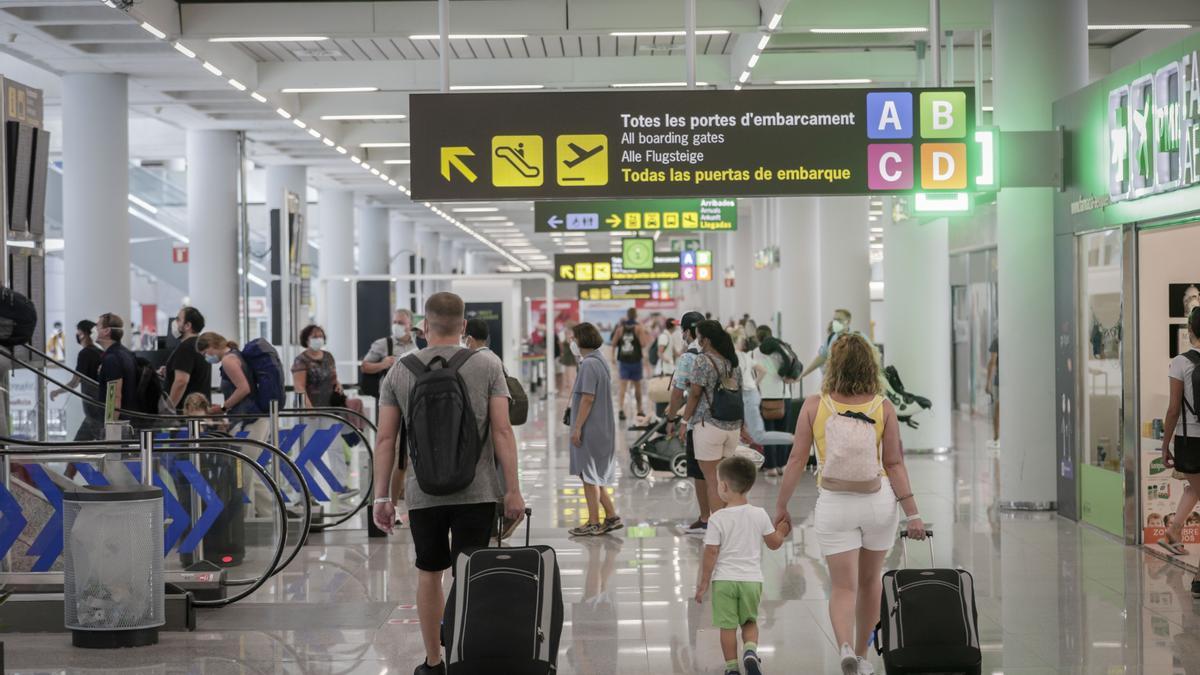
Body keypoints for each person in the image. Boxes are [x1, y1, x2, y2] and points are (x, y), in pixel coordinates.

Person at [371, 292, 524, 675]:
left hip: (424, 493)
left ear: (423, 327)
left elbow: (385, 440)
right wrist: (514, 490)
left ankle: (434, 662)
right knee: (471, 571)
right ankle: (466, 656)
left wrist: (381, 498)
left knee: (429, 572)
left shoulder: (399, 370)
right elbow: (503, 430)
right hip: (479, 490)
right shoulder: (487, 363)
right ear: (463, 328)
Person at [774, 333, 926, 675]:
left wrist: (781, 505)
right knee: (871, 583)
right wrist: (913, 513)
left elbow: (797, 459)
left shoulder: (815, 405)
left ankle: (843, 645)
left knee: (843, 586)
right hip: (877, 503)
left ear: (833, 366)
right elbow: (894, 463)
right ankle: (862, 657)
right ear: (870, 366)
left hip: (835, 504)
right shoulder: (882, 406)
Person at [695, 456, 791, 675]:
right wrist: (783, 530)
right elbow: (774, 543)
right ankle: (750, 651)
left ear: (724, 487)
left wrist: (703, 584)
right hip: (751, 580)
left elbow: (711, 552)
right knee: (749, 621)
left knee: (727, 626)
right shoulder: (759, 514)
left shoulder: (717, 518)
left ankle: (731, 668)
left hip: (724, 582)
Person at [679, 320, 743, 517]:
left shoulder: (703, 360)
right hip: (732, 426)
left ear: (706, 339)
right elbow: (740, 394)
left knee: (712, 480)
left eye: (698, 336)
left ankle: (717, 527)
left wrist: (684, 421)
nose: (697, 340)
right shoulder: (732, 362)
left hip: (709, 425)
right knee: (725, 480)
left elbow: (695, 394)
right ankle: (729, 522)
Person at [567, 322, 622, 537]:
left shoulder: (589, 364)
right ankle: (611, 516)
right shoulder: (599, 360)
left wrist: (578, 427)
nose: (572, 342)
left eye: (574, 338)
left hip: (591, 427)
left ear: (582, 340)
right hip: (602, 426)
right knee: (592, 475)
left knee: (588, 477)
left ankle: (593, 522)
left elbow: (588, 398)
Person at [1157, 309, 1200, 573]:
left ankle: (1172, 534)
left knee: (1194, 487)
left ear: (1190, 330)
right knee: (1194, 489)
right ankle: (1172, 534)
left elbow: (1173, 409)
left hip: (1189, 440)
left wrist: (1165, 444)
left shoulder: (1180, 362)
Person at [666, 311, 710, 534]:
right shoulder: (722, 352)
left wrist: (673, 418)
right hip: (726, 421)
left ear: (688, 331)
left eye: (683, 330)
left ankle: (705, 518)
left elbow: (678, 393)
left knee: (701, 472)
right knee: (720, 470)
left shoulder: (688, 357)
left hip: (699, 423)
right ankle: (723, 517)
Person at [738, 333, 794, 456]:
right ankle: (784, 462)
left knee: (762, 435)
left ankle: (771, 467)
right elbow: (794, 374)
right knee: (774, 432)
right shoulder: (783, 353)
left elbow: (762, 371)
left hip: (761, 397)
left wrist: (754, 384)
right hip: (783, 397)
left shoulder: (749, 355)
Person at [50, 319, 104, 440]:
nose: (77, 335)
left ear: (83, 334)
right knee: (83, 444)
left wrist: (57, 391)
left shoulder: (84, 354)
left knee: (80, 445)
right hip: (100, 406)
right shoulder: (100, 352)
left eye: (78, 332)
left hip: (92, 409)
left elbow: (75, 382)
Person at [752, 326, 792, 476]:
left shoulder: (754, 353)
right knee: (784, 432)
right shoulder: (781, 351)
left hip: (764, 398)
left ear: (757, 338)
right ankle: (784, 465)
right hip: (784, 397)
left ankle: (771, 467)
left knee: (768, 434)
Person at [197, 332, 259, 415]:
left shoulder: (228, 360)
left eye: (205, 354)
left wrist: (222, 408)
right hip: (248, 413)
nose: (206, 358)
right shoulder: (235, 354)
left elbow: (244, 389)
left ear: (212, 345)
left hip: (246, 416)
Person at [164, 307, 212, 412]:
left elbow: (181, 381)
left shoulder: (185, 348)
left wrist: (168, 408)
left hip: (186, 412)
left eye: (178, 319)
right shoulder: (200, 345)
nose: (175, 323)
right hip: (199, 409)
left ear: (187, 326)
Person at [95, 313, 140, 420]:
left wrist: (110, 426)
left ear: (106, 331)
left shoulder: (112, 358)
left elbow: (114, 396)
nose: (94, 330)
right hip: (129, 417)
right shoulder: (126, 353)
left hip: (119, 423)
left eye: (97, 326)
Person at [612, 307, 650, 421]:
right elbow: (643, 344)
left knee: (622, 386)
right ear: (636, 316)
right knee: (637, 386)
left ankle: (621, 409)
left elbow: (613, 343)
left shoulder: (620, 329)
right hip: (635, 361)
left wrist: (612, 358)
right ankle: (639, 410)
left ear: (627, 316)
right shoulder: (638, 328)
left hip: (623, 361)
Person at [362, 308, 419, 383]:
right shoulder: (382, 344)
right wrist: (382, 365)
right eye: (394, 322)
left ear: (411, 326)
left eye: (401, 323)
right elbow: (364, 367)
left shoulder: (418, 345)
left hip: (414, 390)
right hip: (389, 392)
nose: (396, 326)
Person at [801, 308, 859, 379]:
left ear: (848, 321)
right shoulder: (831, 338)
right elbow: (822, 357)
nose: (835, 322)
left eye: (839, 320)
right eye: (834, 319)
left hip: (850, 382)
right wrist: (803, 374)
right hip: (831, 382)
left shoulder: (857, 339)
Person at [292, 324, 341, 408]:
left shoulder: (328, 356)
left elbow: (333, 378)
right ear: (306, 340)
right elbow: (299, 387)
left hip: (330, 405)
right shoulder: (301, 360)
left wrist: (338, 385)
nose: (318, 339)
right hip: (309, 406)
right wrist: (309, 408)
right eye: (315, 337)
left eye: (321, 336)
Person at [985, 335, 999, 448]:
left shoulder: (997, 341)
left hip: (1000, 380)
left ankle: (997, 438)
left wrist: (988, 383)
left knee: (998, 408)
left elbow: (992, 362)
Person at [558, 321, 578, 392]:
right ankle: (570, 392)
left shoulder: (571, 336)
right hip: (568, 359)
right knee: (568, 376)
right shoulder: (567, 335)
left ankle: (571, 393)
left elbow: (573, 347)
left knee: (570, 377)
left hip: (570, 360)